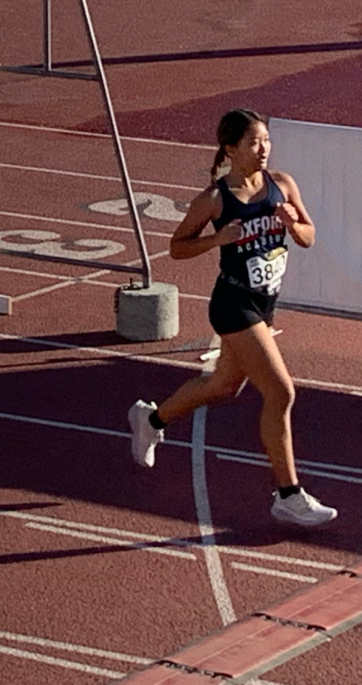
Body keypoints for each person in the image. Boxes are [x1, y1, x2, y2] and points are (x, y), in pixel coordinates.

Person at [127, 108, 337, 527]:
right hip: (233, 304)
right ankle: (288, 495)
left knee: (223, 387)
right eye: (254, 143)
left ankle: (149, 419)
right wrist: (217, 239)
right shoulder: (216, 199)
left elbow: (310, 237)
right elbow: (177, 247)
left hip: (264, 303)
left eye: (266, 142)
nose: (263, 150)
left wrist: (294, 225)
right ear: (230, 149)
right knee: (280, 393)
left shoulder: (282, 185)